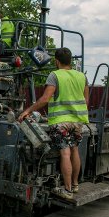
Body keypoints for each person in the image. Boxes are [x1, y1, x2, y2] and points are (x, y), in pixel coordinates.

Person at [18, 47, 89, 200]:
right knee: (75, 150)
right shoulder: (82, 76)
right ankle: (75, 185)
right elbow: (86, 100)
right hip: (77, 121)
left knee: (65, 153)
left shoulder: (54, 75)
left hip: (60, 122)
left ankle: (67, 190)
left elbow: (45, 99)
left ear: (57, 61)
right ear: (70, 60)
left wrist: (27, 111)